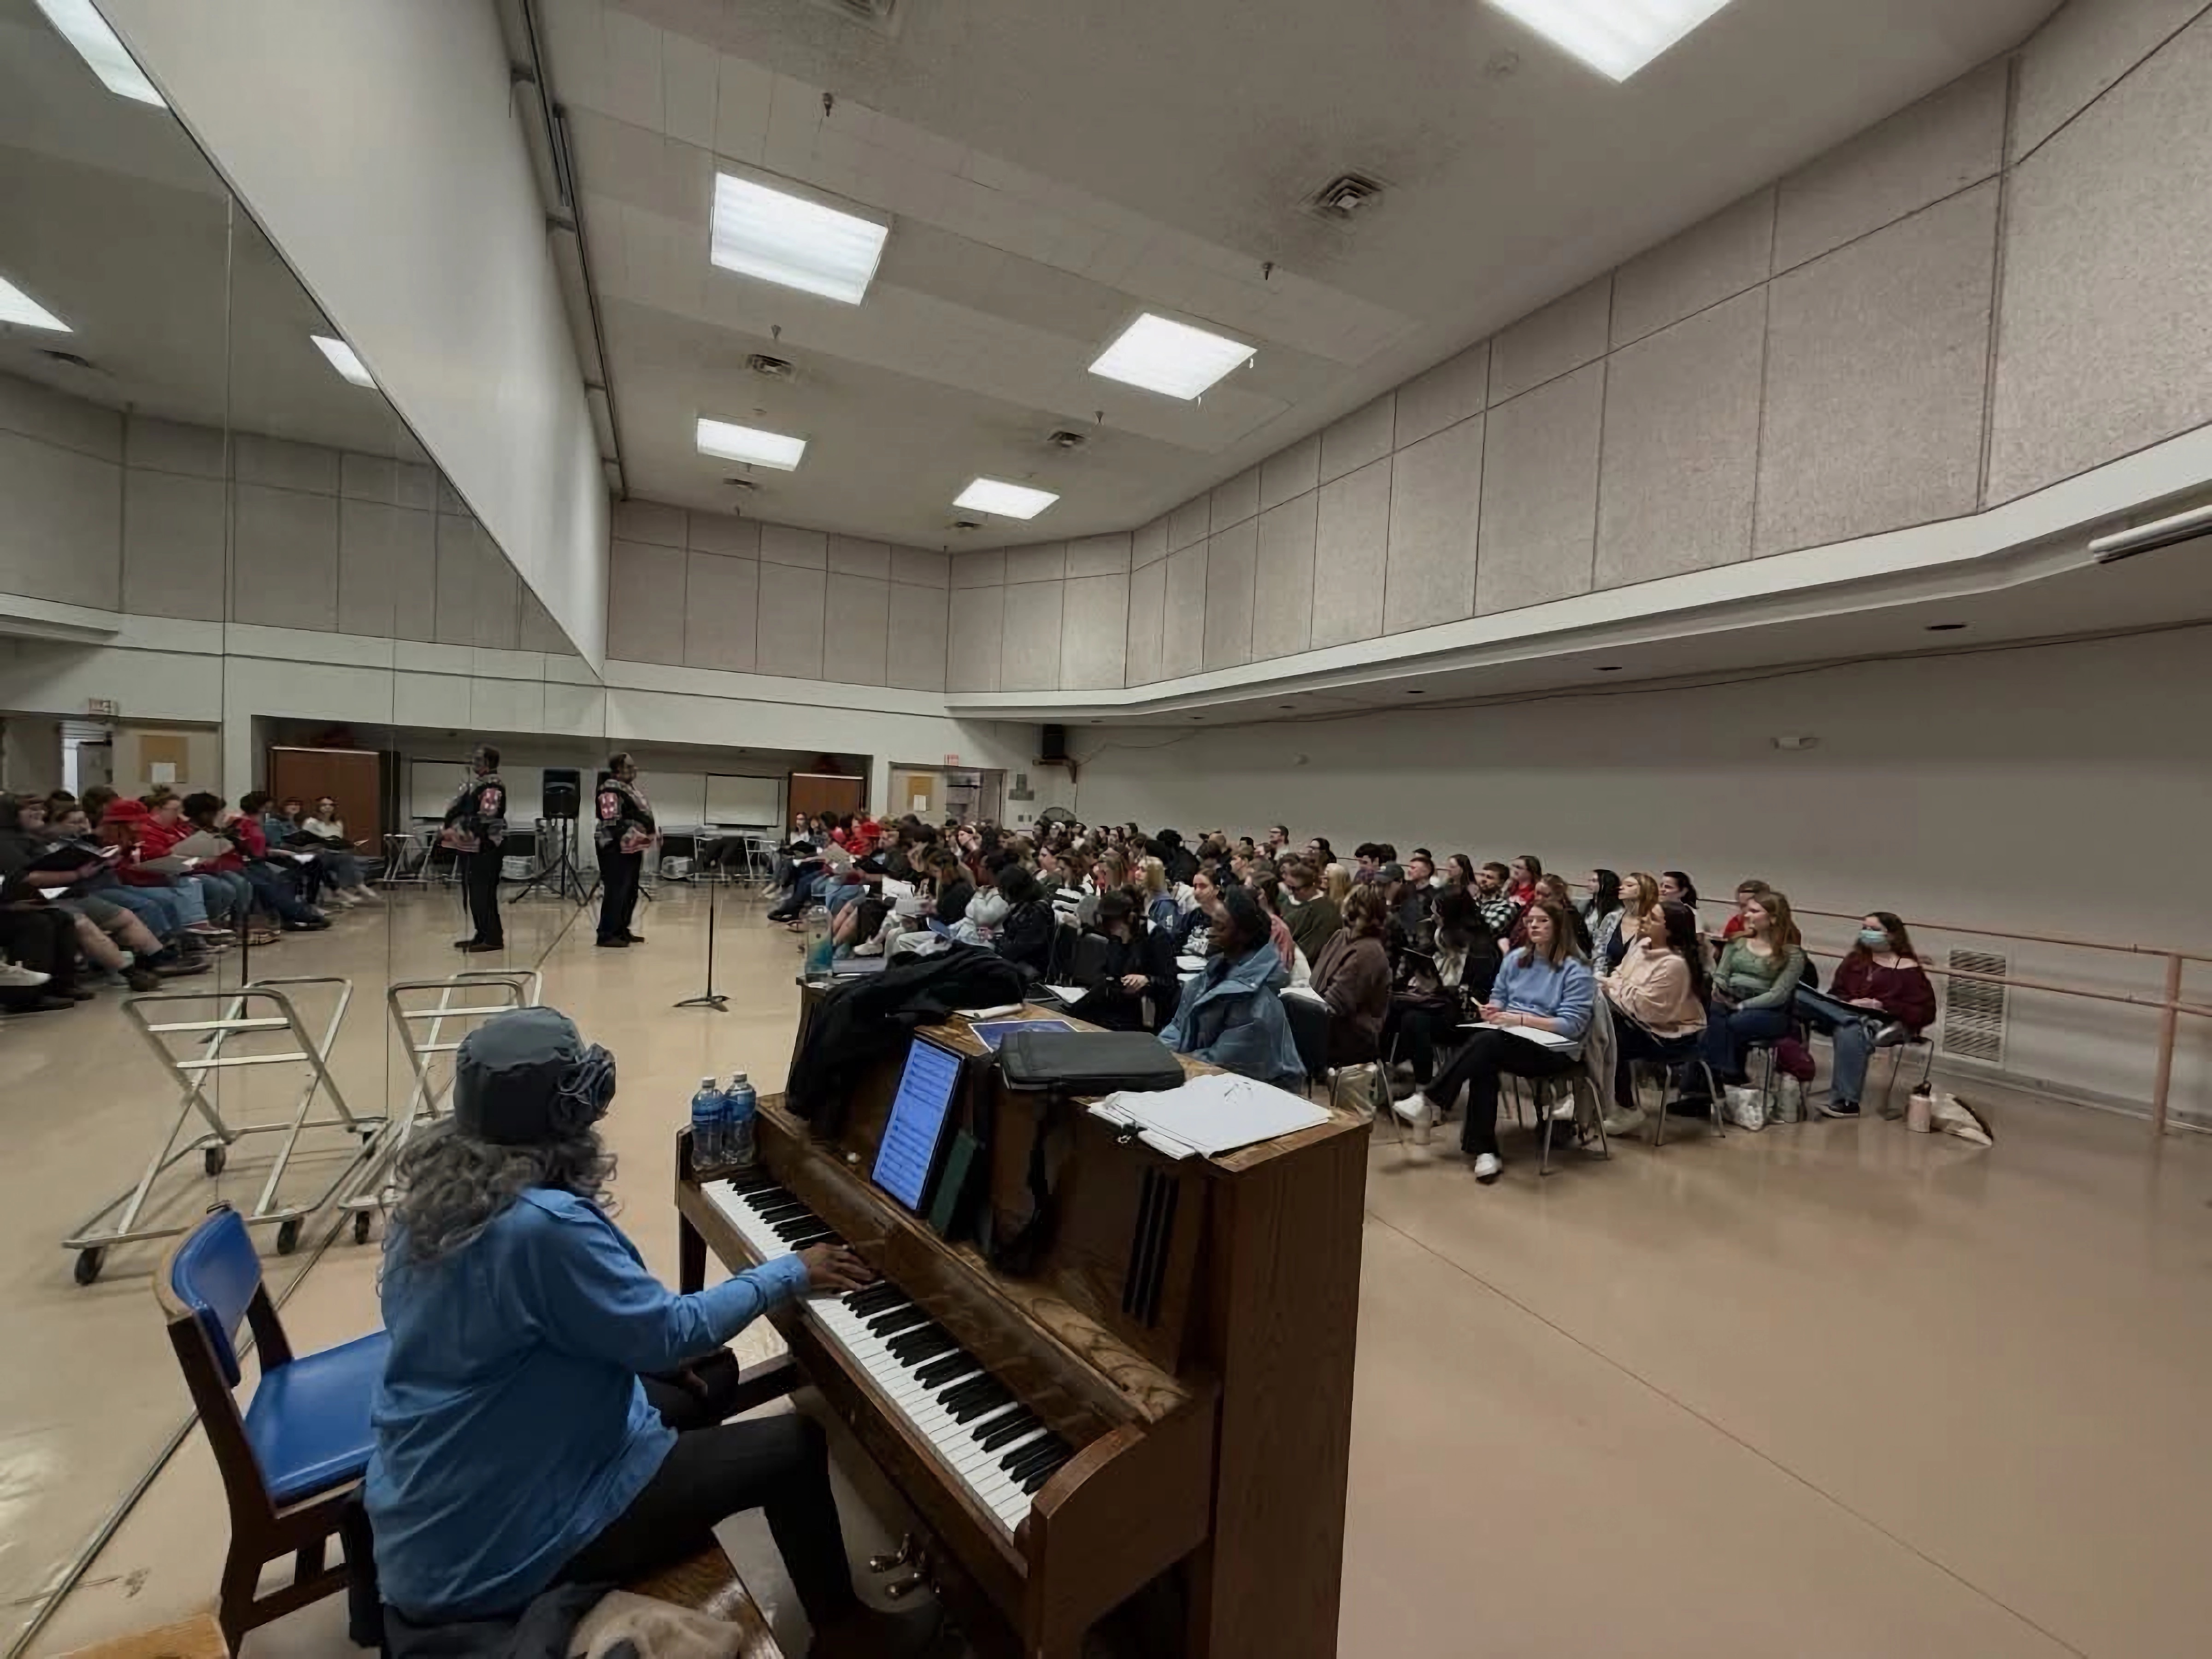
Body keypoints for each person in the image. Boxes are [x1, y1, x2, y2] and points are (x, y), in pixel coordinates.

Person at [364, 1008, 926, 1657]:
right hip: (497, 1552)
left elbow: (527, 1332)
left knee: (707, 1377)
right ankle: (846, 1632)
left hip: (432, 1513)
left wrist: (638, 1357)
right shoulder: (543, 1228)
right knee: (792, 1445)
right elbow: (672, 1332)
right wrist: (792, 1270)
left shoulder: (430, 1204)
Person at [1393, 900, 1594, 1178]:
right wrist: (1494, 1009)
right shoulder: (1516, 959)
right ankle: (1484, 1150)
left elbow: (1571, 1026)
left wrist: (1520, 1019)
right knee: (1485, 1054)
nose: (1534, 926)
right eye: (1530, 921)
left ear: (1560, 927)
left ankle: (1431, 1102)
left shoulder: (1577, 970)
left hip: (1554, 1048)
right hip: (1510, 1038)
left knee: (1487, 1045)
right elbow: (1499, 995)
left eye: (1543, 921)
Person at [1160, 886, 1305, 1091]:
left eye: (1220, 928)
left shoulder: (1259, 1006)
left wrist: (1168, 1068)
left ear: (1243, 936)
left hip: (1261, 1097)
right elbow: (1178, 1028)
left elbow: (1219, 1064)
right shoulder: (1210, 975)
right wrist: (1157, 1057)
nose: (1209, 933)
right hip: (1208, 1079)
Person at [1806, 912, 1938, 1119]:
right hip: (1845, 1011)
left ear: (1892, 936)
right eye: (1865, 928)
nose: (1867, 933)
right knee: (1801, 995)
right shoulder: (1855, 961)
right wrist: (1850, 1003)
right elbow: (1836, 992)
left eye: (1874, 930)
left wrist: (1883, 1005)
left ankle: (1846, 1104)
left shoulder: (1908, 970)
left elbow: (1925, 1013)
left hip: (1884, 1022)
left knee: (1850, 1030)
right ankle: (1852, 1019)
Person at [1598, 900, 1709, 1135]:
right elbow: (1619, 976)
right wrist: (1617, 987)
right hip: (1638, 1022)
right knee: (1598, 1027)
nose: (1645, 921)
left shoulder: (1674, 964)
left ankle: (1625, 1106)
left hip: (1671, 1035)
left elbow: (1647, 1008)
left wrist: (1614, 988)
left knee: (1607, 1037)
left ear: (1670, 930)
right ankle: (1592, 1099)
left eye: (1654, 919)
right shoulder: (1642, 945)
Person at [1692, 888, 1808, 1098]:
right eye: (1747, 910)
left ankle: (1712, 1081)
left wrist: (1743, 1006)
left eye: (1755, 911)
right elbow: (1722, 973)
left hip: (1769, 1011)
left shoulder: (1792, 954)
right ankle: (1721, 1078)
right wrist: (1718, 988)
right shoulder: (1737, 942)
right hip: (1729, 999)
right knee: (1713, 1015)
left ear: (1773, 918)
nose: (1747, 915)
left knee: (1731, 1022)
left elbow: (1779, 994)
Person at [1307, 884, 1392, 1068]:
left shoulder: (1369, 952)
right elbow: (1316, 983)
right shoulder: (1340, 937)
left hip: (1351, 1037)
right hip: (1329, 1023)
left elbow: (1336, 1005)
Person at [1068, 888, 1177, 1033]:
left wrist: (1147, 980)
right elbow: (1107, 970)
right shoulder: (1115, 937)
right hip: (1115, 999)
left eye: (1112, 924)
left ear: (1130, 918)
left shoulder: (1156, 937)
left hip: (1142, 1009)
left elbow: (1169, 983)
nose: (1110, 929)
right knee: (1077, 1014)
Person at [441, 746, 508, 953]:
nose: (473, 762)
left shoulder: (492, 786)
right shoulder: (476, 785)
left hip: (486, 847)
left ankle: (493, 938)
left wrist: (457, 829)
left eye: (478, 759)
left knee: (483, 893)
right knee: (475, 894)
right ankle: (482, 934)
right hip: (471, 846)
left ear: (488, 763)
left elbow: (486, 817)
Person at [592, 753, 655, 948]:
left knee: (630, 891)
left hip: (632, 847)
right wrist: (633, 832)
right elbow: (611, 820)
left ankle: (622, 930)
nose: (635, 770)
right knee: (616, 890)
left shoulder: (629, 789)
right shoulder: (609, 789)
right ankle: (607, 934)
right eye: (630, 766)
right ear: (618, 769)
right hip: (615, 847)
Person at [302, 796, 380, 906]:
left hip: (336, 853)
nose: (328, 808)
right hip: (318, 853)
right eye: (324, 805)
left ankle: (358, 886)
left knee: (347, 857)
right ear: (318, 808)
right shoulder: (311, 822)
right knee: (340, 857)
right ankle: (352, 888)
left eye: (331, 805)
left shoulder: (338, 823)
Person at [992, 863, 1056, 979]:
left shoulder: (1038, 912)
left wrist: (996, 945)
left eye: (1002, 890)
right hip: (1016, 958)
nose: (1000, 894)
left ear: (1013, 890)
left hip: (1031, 965)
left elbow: (1022, 946)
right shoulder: (1022, 906)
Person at [1278, 858, 1341, 962]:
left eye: (1295, 889)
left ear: (1312, 885)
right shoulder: (1289, 903)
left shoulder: (1326, 910)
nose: (1292, 893)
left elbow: (1314, 950)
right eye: (1289, 887)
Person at [1605, 871, 1659, 971]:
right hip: (1608, 981)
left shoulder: (1657, 922)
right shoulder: (1612, 918)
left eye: (1629, 885)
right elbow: (1598, 954)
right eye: (1621, 885)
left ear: (1644, 890)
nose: (1621, 888)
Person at [1582, 870, 1623, 960]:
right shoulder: (1587, 907)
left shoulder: (1616, 911)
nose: (1589, 884)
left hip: (1606, 956)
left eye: (1594, 881)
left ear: (1605, 884)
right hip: (1587, 954)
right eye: (1589, 880)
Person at [1473, 860, 1521, 938]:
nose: (1483, 880)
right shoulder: (1472, 900)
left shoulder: (1507, 907)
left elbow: (1487, 931)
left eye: (1490, 878)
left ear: (1501, 883)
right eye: (1482, 875)